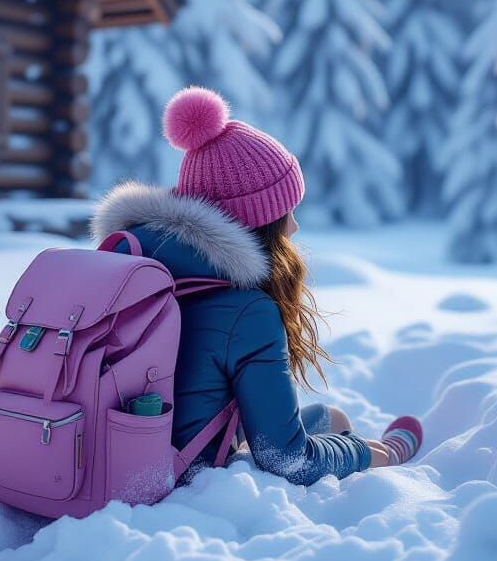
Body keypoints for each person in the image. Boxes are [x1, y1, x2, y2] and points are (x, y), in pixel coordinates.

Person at [91, 86, 422, 485]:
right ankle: (388, 455)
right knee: (353, 443)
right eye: (286, 212)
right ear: (257, 221)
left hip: (111, 445)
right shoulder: (246, 310)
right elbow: (286, 460)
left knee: (333, 418)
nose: (295, 226)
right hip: (184, 480)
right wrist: (368, 454)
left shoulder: (141, 265)